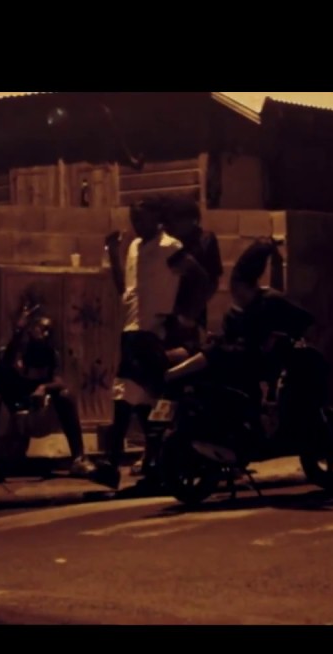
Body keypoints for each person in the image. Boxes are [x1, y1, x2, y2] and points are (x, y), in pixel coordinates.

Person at [102, 198, 214, 487]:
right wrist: (113, 254)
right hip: (131, 329)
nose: (136, 224)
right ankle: (151, 463)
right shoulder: (134, 247)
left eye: (141, 218)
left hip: (151, 333)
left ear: (157, 218)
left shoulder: (170, 247)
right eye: (133, 218)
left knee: (126, 395)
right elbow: (126, 290)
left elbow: (200, 280)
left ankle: (115, 462)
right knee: (141, 399)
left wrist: (186, 317)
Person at [166, 239, 314, 389]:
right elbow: (230, 338)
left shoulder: (270, 301)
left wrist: (280, 343)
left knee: (217, 352)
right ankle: (167, 365)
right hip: (237, 358)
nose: (234, 293)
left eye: (237, 288)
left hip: (257, 361)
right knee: (206, 347)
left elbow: (307, 326)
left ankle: (169, 376)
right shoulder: (237, 311)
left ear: (249, 286)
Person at [0, 307, 97, 478]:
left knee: (66, 396)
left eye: (49, 331)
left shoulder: (50, 354)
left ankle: (79, 458)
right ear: (31, 331)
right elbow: (7, 361)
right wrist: (18, 331)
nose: (47, 334)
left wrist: (44, 388)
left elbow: (59, 381)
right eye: (43, 329)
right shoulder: (16, 351)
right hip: (9, 409)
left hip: (36, 410)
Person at [165, 198, 224, 332]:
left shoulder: (205, 240)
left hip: (193, 309)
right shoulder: (169, 241)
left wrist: (193, 310)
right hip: (168, 307)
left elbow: (213, 280)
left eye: (180, 220)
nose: (176, 224)